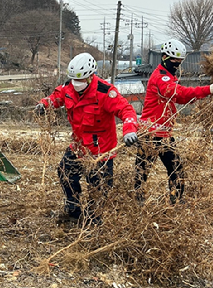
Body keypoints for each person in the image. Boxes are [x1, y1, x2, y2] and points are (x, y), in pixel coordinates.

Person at [35, 53, 139, 223]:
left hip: (101, 151)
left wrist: (129, 130)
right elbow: (56, 98)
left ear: (91, 77)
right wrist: (44, 105)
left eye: (81, 81)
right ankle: (73, 208)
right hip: (78, 146)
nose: (76, 85)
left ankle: (94, 219)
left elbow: (126, 111)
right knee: (65, 172)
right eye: (74, 81)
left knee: (99, 188)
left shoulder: (105, 92)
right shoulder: (69, 87)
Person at [134, 39, 213, 205]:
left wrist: (201, 95)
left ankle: (177, 201)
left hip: (163, 133)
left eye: (180, 62)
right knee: (142, 170)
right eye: (174, 61)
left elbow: (180, 97)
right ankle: (139, 202)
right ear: (164, 57)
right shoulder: (161, 77)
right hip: (150, 133)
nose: (177, 64)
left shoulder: (170, 76)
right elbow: (178, 93)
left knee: (175, 169)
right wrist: (207, 89)